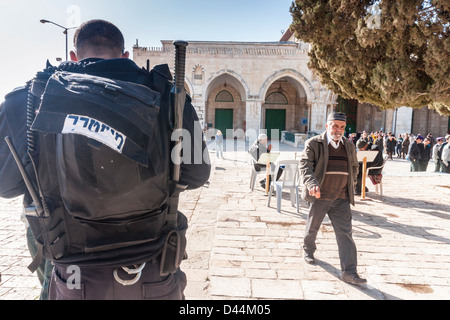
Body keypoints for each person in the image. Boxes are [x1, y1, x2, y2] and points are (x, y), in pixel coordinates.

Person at [0, 19, 211, 300]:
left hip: (75, 280)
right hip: (153, 273)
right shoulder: (170, 99)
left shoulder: (27, 100)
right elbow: (197, 174)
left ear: (74, 56)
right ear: (124, 55)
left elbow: (6, 185)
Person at [299, 112, 366, 285]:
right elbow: (305, 166)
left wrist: (352, 183)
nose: (338, 130)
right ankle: (308, 250)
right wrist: (312, 184)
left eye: (342, 127)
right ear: (327, 125)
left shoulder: (349, 145)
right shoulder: (314, 144)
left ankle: (349, 272)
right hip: (320, 196)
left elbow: (354, 166)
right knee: (313, 227)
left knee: (346, 234)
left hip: (341, 198)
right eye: (335, 125)